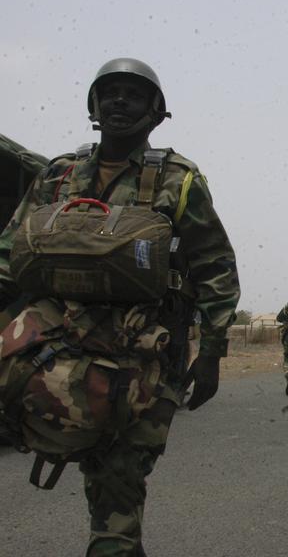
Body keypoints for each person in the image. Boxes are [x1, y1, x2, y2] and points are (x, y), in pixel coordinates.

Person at [0, 58, 240, 555]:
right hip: (53, 353)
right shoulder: (58, 176)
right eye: (109, 93)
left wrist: (212, 352)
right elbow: (10, 254)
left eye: (133, 94)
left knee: (117, 491)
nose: (119, 102)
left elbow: (214, 264)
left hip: (141, 365)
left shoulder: (179, 180)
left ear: (156, 113)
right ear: (93, 105)